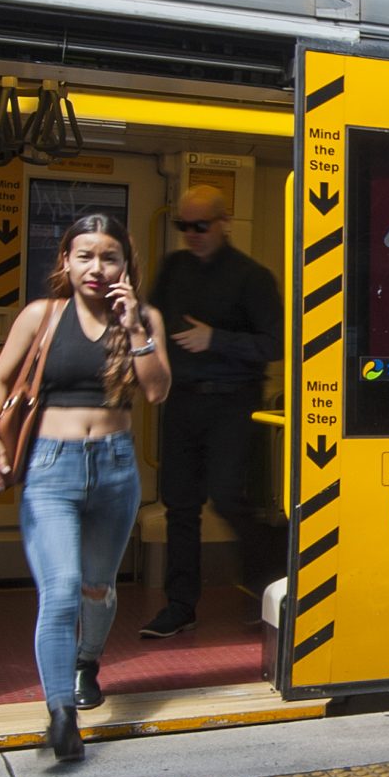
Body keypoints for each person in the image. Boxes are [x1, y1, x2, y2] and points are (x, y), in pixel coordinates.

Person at [0, 215, 170, 763]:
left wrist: (133, 330)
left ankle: (86, 663)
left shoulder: (145, 318)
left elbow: (156, 392)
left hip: (116, 467)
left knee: (96, 588)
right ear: (65, 262)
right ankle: (61, 712)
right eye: (84, 256)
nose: (96, 268)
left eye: (108, 258)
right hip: (51, 469)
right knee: (59, 589)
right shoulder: (42, 316)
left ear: (126, 266)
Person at [143, 184, 284, 636]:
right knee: (179, 506)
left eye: (201, 225)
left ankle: (269, 582)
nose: (192, 234)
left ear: (224, 223)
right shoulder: (173, 269)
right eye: (183, 225)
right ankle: (179, 606)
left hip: (232, 400)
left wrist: (216, 339)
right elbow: (154, 323)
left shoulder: (252, 277)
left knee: (227, 496)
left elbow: (276, 344)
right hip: (181, 400)